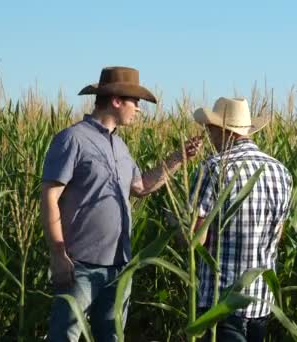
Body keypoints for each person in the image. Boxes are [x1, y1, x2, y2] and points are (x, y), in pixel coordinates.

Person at [41, 66, 202, 342]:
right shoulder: (73, 139)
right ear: (116, 100)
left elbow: (140, 187)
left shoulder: (121, 148)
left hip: (119, 266)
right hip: (80, 265)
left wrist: (178, 159)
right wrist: (58, 255)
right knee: (64, 336)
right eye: (135, 102)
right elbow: (49, 197)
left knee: (113, 336)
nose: (138, 109)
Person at [190, 97, 293, 342]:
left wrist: (177, 227)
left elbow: (195, 239)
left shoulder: (213, 168)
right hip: (259, 300)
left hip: (220, 302)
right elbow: (277, 235)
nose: (209, 136)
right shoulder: (281, 171)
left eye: (210, 129)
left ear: (221, 130)